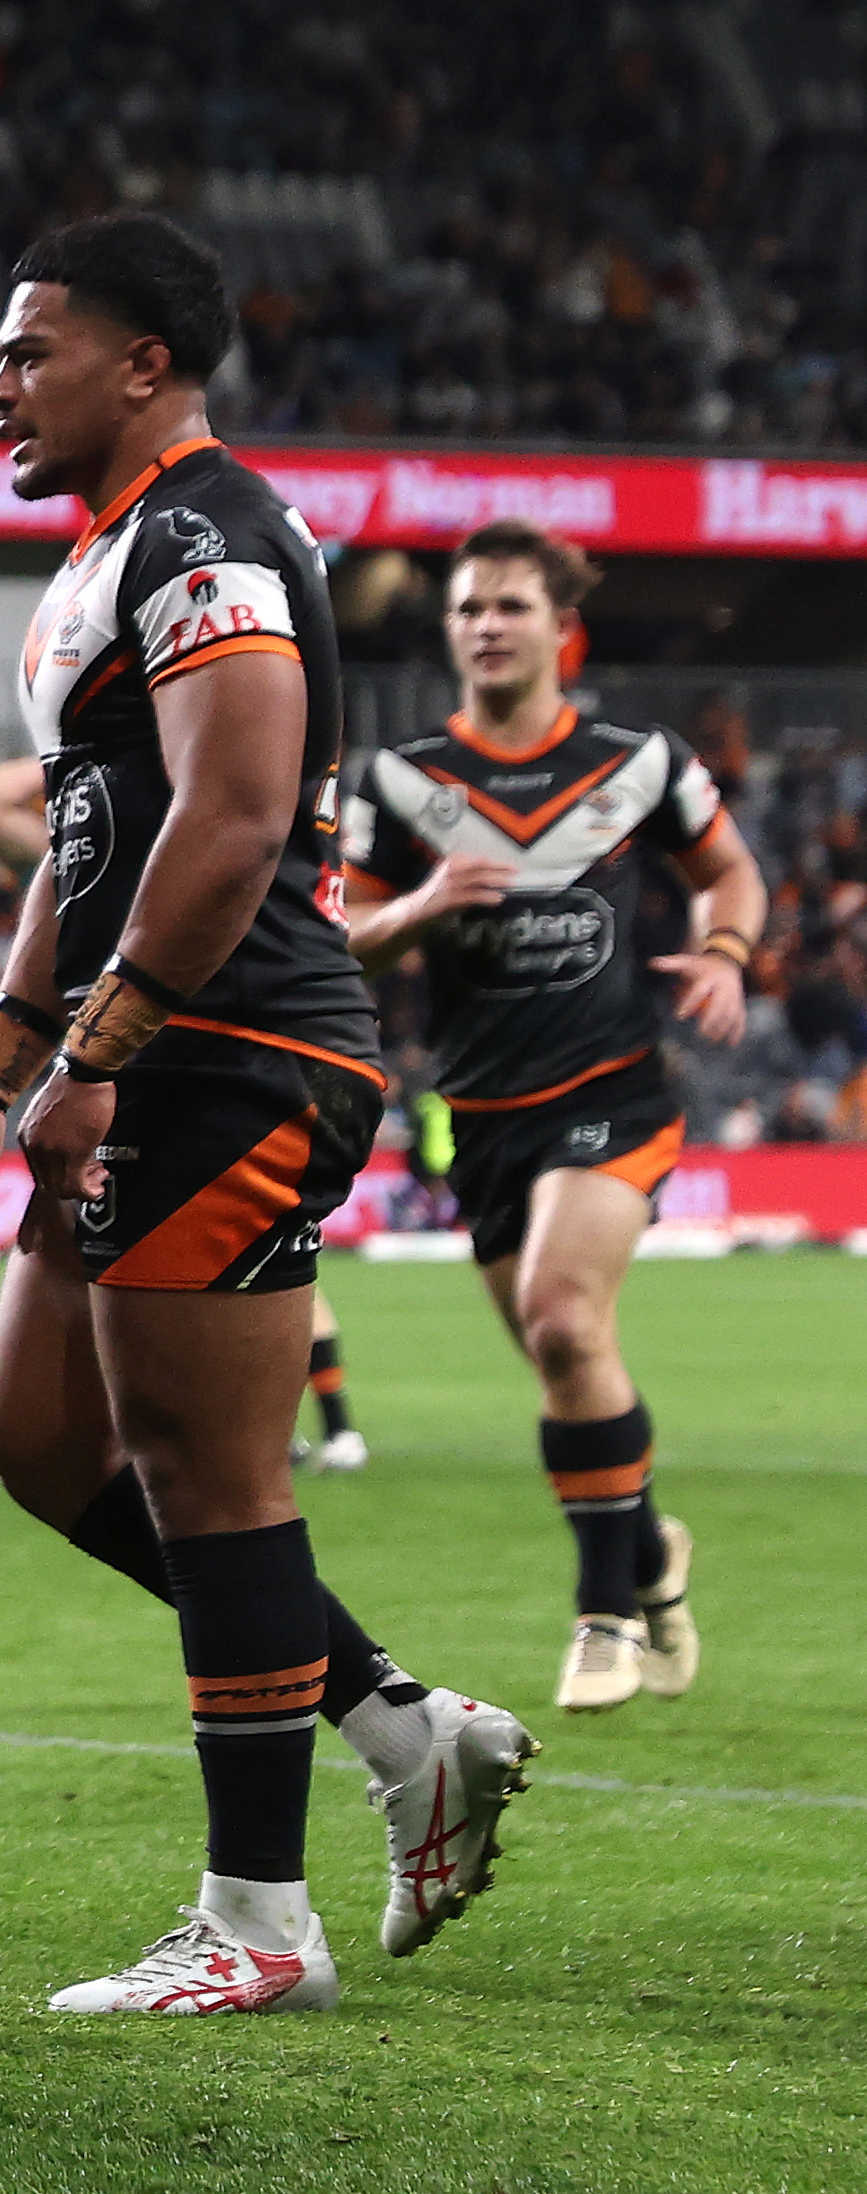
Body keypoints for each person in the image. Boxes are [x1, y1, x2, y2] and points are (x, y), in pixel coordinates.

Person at [0, 213, 536, 2013]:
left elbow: (235, 816)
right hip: (151, 1049)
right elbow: (94, 849)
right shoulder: (109, 559)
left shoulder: (206, 534)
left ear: (143, 363)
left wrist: (93, 1057)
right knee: (40, 1440)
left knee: (211, 1482)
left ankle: (256, 1918)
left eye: (31, 352)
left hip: (234, 1048)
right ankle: (400, 1723)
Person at [341, 521, 763, 1711]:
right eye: (467, 607)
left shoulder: (638, 764)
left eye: (509, 606)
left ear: (557, 626)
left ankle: (604, 1616)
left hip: (612, 1092)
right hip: (482, 1114)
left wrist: (725, 952)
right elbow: (342, 936)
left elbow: (732, 871)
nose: (484, 625)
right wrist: (419, 906)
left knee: (565, 1321)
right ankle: (647, 1550)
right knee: (560, 1358)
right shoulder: (401, 782)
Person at [0, 752, 368, 1470]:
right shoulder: (96, 848)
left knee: (201, 1479)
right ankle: (328, 1432)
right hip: (173, 1043)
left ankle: (314, 1438)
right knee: (74, 1451)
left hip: (195, 1052)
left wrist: (94, 749)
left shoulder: (189, 801)